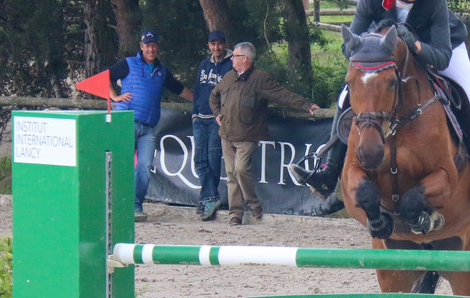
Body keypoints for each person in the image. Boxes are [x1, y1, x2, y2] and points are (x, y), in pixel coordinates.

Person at [289, 0, 470, 207]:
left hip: (442, 46)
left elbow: (442, 56)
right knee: (345, 95)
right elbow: (349, 48)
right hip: (387, 53)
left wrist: (414, 45)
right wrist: (372, 39)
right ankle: (328, 173)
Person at [210, 42, 320, 226]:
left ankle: (253, 204)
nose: (231, 59)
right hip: (226, 134)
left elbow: (282, 94)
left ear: (245, 59)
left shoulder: (261, 79)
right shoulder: (229, 77)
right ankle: (235, 213)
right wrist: (217, 113)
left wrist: (305, 105)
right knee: (231, 174)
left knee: (240, 170)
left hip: (247, 135)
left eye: (235, 56)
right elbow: (213, 95)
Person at [109, 30, 193, 222]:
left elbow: (178, 88)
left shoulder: (161, 70)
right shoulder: (129, 63)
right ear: (141, 47)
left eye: (154, 45)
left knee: (144, 168)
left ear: (157, 47)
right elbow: (105, 76)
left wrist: (199, 101)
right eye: (147, 45)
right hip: (127, 122)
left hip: (148, 128)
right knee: (122, 164)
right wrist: (114, 96)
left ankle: (135, 207)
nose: (151, 49)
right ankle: (117, 204)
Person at [192, 30, 233, 221]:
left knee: (213, 159)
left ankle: (208, 197)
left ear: (224, 44)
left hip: (217, 119)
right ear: (208, 45)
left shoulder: (231, 65)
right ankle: (209, 197)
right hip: (200, 118)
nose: (216, 48)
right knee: (200, 160)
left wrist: (223, 114)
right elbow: (198, 90)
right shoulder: (204, 64)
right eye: (212, 44)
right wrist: (194, 114)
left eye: (219, 44)